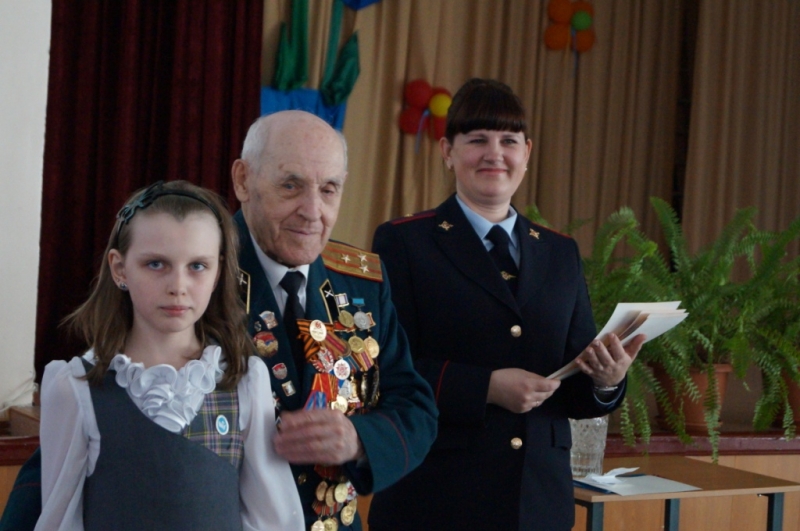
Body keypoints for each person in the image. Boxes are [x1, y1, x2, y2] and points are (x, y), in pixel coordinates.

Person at [368, 79, 646, 531]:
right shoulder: (405, 241)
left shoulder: (560, 252)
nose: (494, 154)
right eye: (477, 140)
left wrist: (607, 380)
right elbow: (382, 368)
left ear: (527, 153)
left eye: (509, 141)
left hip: (537, 503)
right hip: (437, 498)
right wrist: (486, 387)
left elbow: (574, 383)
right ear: (447, 151)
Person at [33, 181, 304, 530]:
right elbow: (59, 522)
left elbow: (274, 520)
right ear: (119, 269)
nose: (178, 286)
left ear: (218, 272)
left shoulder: (244, 380)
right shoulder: (77, 387)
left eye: (197, 266)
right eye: (156, 264)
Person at [230, 110, 438, 530]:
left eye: (329, 189)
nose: (313, 211)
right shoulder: (198, 271)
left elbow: (415, 408)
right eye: (291, 185)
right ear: (243, 180)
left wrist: (359, 439)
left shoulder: (362, 282)